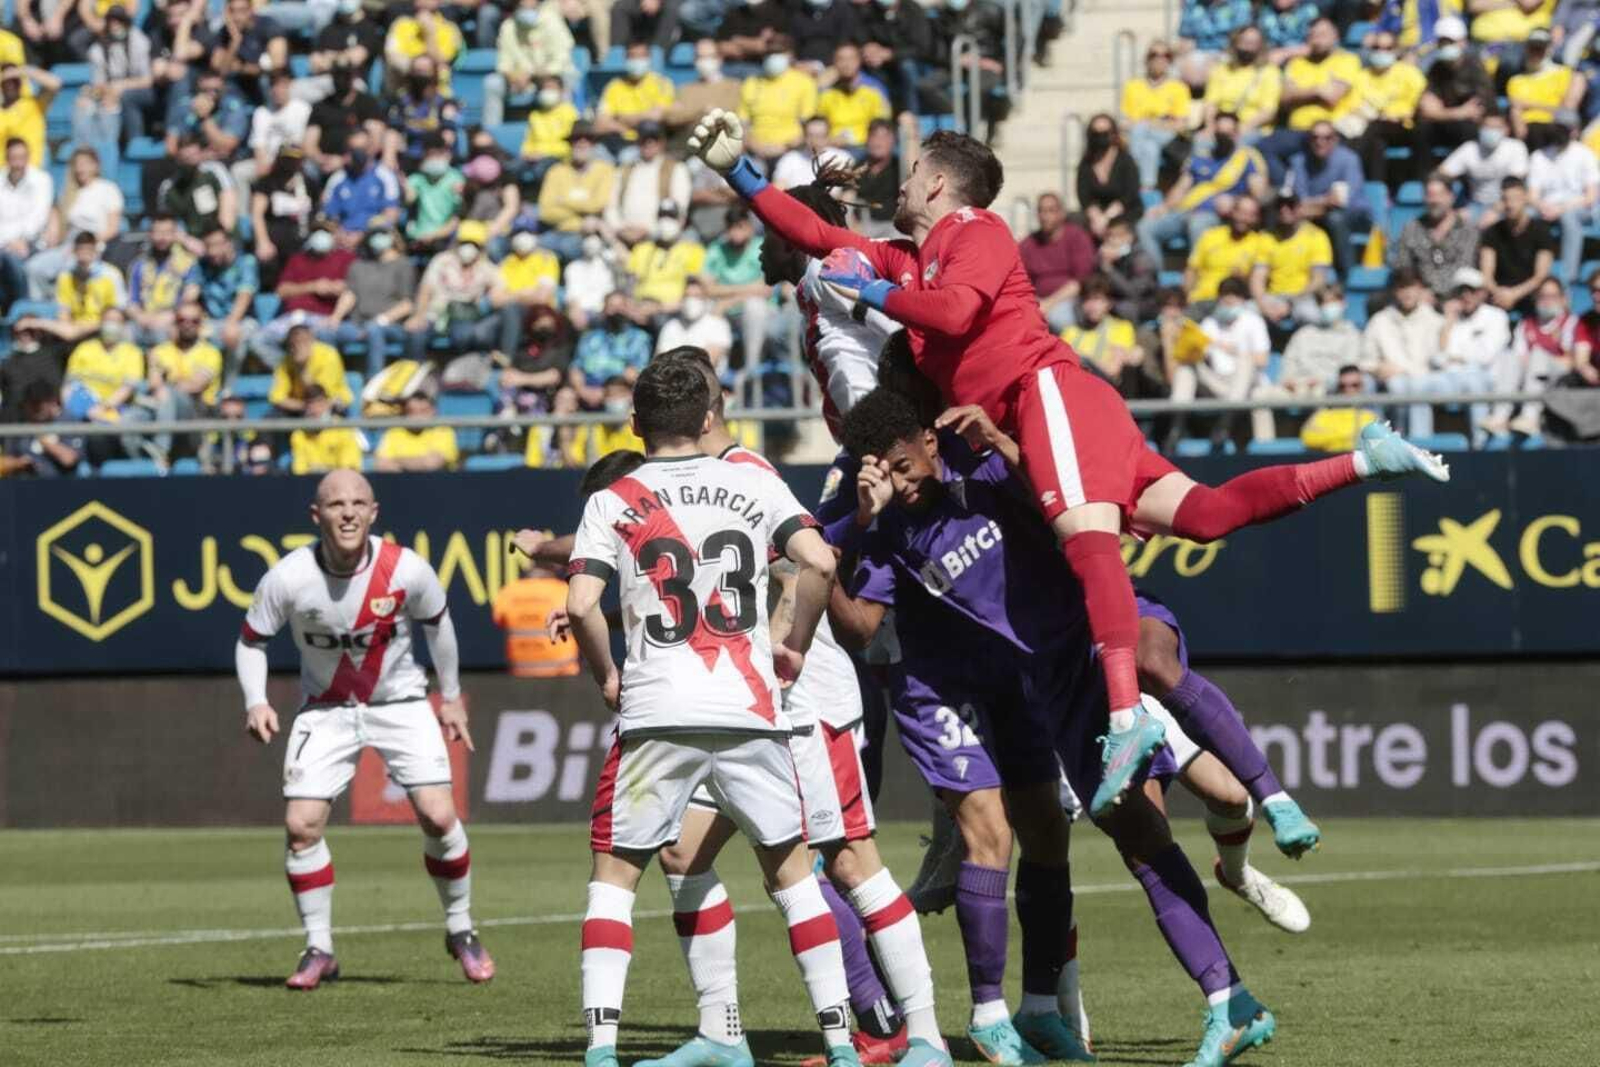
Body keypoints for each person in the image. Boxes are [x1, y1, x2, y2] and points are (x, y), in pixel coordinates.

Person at [693, 109, 1449, 812]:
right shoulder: (908, 257)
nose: (899, 178)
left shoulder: (976, 229)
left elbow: (956, 313)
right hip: (1060, 407)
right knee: (1206, 515)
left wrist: (880, 297)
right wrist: (741, 173)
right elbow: (816, 235)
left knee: (1088, 547)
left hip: (1045, 393)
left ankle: (1126, 719)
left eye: (912, 164)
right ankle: (1362, 459)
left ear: (934, 181)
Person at [831, 387, 1291, 1067]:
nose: (898, 485)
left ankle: (1218, 997)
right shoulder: (871, 512)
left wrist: (1011, 449)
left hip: (1057, 668)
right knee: (996, 830)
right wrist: (859, 527)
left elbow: (1070, 502)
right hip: (953, 689)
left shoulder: (988, 464)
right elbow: (861, 626)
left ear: (930, 439)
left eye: (904, 465)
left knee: (1120, 826)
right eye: (883, 471)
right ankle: (992, 1014)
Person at [586, 348, 952, 1067]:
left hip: (803, 699)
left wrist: (792, 641)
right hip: (748, 704)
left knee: (851, 862)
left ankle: (927, 1034)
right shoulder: (714, 485)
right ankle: (721, 1030)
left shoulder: (747, 475)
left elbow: (806, 563)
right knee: (681, 852)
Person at [236, 470, 492, 987]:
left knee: (439, 815)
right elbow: (250, 641)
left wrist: (449, 698)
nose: (348, 513)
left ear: (374, 513)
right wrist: (256, 700)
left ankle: (461, 929)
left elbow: (439, 624)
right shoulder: (288, 577)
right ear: (317, 515)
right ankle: (319, 948)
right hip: (327, 707)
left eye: (358, 503)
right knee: (301, 825)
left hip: (399, 701)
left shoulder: (406, 569)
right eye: (336, 504)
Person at [1136, 111, 1268, 264]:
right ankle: (1154, 280)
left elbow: (1258, 194)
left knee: (1198, 224)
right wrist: (1163, 208)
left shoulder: (1247, 158)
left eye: (1228, 133)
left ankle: (1198, 280)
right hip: (1187, 211)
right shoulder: (1201, 157)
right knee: (1145, 227)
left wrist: (1235, 202)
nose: (1223, 138)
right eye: (1220, 133)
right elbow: (1181, 188)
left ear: (1237, 134)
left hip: (1216, 217)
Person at [1257, 17, 1358, 183]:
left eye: (1323, 35)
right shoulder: (1297, 63)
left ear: (1336, 37)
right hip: (1298, 130)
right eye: (1314, 35)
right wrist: (1318, 90)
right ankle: (1287, 190)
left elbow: (1333, 96)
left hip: (1331, 129)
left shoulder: (1347, 60)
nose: (1318, 39)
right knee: (1263, 146)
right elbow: (1283, 99)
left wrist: (1299, 92)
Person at [405, 221, 516, 363]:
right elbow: (426, 289)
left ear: (481, 247)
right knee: (416, 334)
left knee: (464, 336)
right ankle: (415, 373)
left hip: (463, 315)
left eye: (474, 244)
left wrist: (490, 298)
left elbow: (501, 291)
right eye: (464, 242)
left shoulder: (487, 268)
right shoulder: (442, 260)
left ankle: (452, 376)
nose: (468, 248)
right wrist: (419, 315)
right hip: (435, 312)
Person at [321, 225, 415, 379]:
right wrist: (335, 317)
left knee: (374, 330)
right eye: (374, 235)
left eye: (382, 233)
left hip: (391, 326)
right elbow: (349, 294)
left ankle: (373, 381)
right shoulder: (358, 265)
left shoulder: (403, 265)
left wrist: (381, 320)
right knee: (325, 333)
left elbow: (407, 304)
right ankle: (331, 380)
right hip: (358, 324)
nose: (377, 238)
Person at [1430, 266, 1510, 443]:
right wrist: (1448, 322)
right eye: (1461, 290)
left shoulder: (1496, 316)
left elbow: (1485, 357)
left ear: (1482, 293)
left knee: (1474, 382)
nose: (1466, 295)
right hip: (1452, 378)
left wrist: (1454, 358)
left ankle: (1479, 444)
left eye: (1471, 290)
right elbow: (1438, 358)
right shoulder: (1450, 319)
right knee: (1416, 386)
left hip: (1487, 379)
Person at [1361, 267, 1445, 433]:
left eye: (1412, 287)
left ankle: (1420, 444)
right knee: (1392, 384)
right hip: (1392, 382)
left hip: (1425, 381)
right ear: (1394, 291)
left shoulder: (1435, 320)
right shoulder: (1380, 320)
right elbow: (1364, 359)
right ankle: (1389, 440)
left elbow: (1440, 358)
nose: (1407, 293)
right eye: (1401, 287)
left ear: (1420, 289)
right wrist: (1378, 368)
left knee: (1414, 388)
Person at [1491, 275, 1577, 435]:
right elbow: (1519, 356)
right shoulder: (1526, 324)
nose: (1547, 301)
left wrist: (1541, 359)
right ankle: (1499, 416)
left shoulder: (1571, 322)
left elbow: (1573, 362)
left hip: (1561, 380)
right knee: (1508, 357)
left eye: (1552, 296)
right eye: (1542, 296)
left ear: (1563, 299)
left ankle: (1530, 417)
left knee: (1538, 355)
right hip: (1528, 376)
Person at [1343, 30, 1428, 190]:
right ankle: (1377, 189)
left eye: (1387, 48)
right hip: (1373, 127)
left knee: (1375, 129)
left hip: (1405, 126)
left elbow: (1422, 100)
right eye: (1376, 47)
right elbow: (1353, 106)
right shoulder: (1361, 76)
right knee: (1376, 144)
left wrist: (1397, 114)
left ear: (1395, 50)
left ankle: (1349, 177)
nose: (1381, 52)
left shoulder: (1409, 72)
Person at [1287, 121, 1371, 278]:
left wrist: (1313, 205)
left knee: (1335, 218)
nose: (1320, 142)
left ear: (1335, 139)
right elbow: (1298, 200)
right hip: (1314, 214)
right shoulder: (1299, 161)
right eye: (1315, 137)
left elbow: (1343, 200)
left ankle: (1346, 276)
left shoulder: (1349, 159)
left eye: (1327, 137)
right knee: (1285, 216)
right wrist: (1325, 201)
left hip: (1354, 214)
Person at [1526, 112, 1600, 284]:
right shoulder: (1539, 156)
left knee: (1569, 217)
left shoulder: (1585, 155)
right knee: (1524, 215)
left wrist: (1561, 209)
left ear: (1574, 131)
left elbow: (1590, 197)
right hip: (1545, 207)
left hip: (1578, 207)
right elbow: (1532, 195)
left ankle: (1568, 277)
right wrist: (1542, 206)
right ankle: (1525, 270)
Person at [484, 0, 575, 127]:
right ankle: (491, 131)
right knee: (493, 83)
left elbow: (562, 58)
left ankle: (567, 128)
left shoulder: (552, 22)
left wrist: (539, 74)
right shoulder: (509, 27)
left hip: (551, 77)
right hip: (519, 80)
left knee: (567, 80)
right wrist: (513, 76)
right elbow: (503, 63)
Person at [1387, 174, 1479, 298]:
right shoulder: (1412, 228)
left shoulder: (1468, 231)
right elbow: (1403, 266)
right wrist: (1418, 291)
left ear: (1451, 197)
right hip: (1420, 297)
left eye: (1439, 195)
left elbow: (1465, 268)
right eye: (1430, 195)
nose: (1434, 201)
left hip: (1457, 297)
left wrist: (1436, 292)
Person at [1062, 275, 1153, 399]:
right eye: (1087, 299)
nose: (1092, 305)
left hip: (1107, 390)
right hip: (1074, 390)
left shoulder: (1121, 328)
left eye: (1097, 299)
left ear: (1108, 303)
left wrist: (1083, 361)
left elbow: (1113, 371)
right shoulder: (1070, 332)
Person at [1416, 17, 1495, 161]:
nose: (1446, 46)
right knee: (1422, 129)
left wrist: (1441, 112)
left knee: (1468, 129)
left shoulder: (1475, 67)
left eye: (1450, 42)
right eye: (1442, 42)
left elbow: (1477, 110)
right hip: (1446, 123)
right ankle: (1426, 179)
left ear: (1463, 42)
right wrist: (1458, 113)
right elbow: (1426, 109)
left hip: (1469, 127)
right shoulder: (1436, 68)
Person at [536, 125, 616, 262]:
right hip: (558, 231)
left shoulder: (605, 170)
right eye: (576, 140)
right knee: (535, 248)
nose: (581, 143)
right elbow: (545, 211)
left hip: (588, 234)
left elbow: (598, 205)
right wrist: (581, 219)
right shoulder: (556, 171)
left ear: (594, 144)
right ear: (570, 144)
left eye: (587, 140)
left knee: (570, 247)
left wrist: (563, 201)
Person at [604, 121, 691, 244]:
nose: (648, 143)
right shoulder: (624, 170)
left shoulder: (677, 169)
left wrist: (649, 230)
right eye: (644, 139)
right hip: (623, 235)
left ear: (662, 142)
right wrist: (620, 228)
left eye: (654, 139)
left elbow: (679, 209)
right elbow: (611, 206)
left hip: (660, 236)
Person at [1481, 176, 1558, 314]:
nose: (1510, 204)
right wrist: (1499, 293)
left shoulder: (1541, 231)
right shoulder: (1492, 232)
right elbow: (1487, 274)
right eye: (1505, 199)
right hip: (1498, 296)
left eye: (1515, 199)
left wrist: (1514, 294)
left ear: (1525, 199)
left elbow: (1540, 275)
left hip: (1530, 296)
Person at [1020, 192, 1096, 331]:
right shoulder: (1028, 244)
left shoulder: (1077, 237)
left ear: (1062, 213)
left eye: (1051, 210)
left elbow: (1080, 282)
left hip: (1071, 300)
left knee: (1059, 318)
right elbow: (1021, 281)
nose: (1045, 216)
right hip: (1037, 301)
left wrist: (1048, 304)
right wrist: (1035, 303)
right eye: (1041, 211)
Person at [1121, 40, 1191, 189]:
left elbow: (1180, 125)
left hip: (1168, 138)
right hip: (1143, 136)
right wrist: (1157, 122)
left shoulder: (1178, 88)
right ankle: (1147, 189)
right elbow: (1126, 122)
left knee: (1141, 128)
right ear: (1147, 59)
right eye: (1154, 54)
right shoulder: (1133, 86)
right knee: (1149, 148)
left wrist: (1149, 123)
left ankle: (1131, 175)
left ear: (1170, 60)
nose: (1160, 58)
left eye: (1165, 55)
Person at [490, 561, 579, 678]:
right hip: (563, 676)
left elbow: (498, 619)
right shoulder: (564, 590)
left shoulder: (509, 591)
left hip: (521, 675)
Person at [1256, 194, 1333, 329]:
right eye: (1280, 206)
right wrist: (1262, 303)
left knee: (1312, 316)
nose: (1285, 210)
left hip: (1304, 296)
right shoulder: (1265, 237)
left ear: (1300, 208)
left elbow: (1318, 280)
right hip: (1273, 296)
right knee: (1248, 315)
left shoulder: (1316, 236)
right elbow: (1257, 278)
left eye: (1290, 206)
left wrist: (1291, 303)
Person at [1439, 112, 1530, 221]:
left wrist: (1496, 210)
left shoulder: (1516, 147)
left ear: (1506, 130)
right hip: (1475, 205)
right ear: (1480, 129)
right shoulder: (1469, 148)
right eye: (1487, 127)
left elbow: (1515, 184)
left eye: (1496, 127)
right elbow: (1441, 173)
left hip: (1507, 204)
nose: (1491, 131)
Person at [1184, 194, 1270, 309]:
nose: (1243, 218)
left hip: (1235, 304)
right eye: (1241, 212)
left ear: (1257, 218)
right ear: (1232, 212)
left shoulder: (1260, 242)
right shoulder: (1210, 236)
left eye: (1250, 215)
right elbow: (1191, 270)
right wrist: (1187, 297)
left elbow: (1259, 280)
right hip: (1202, 299)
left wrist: (1244, 280)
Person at [567, 292, 652, 408]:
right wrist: (582, 390)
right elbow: (576, 369)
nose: (616, 311)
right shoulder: (589, 337)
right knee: (565, 397)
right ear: (604, 311)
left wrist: (607, 392)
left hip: (621, 391)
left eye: (620, 306)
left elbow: (636, 375)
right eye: (611, 307)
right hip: (588, 391)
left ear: (628, 310)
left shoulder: (639, 338)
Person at [320, 129, 404, 246]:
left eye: (362, 149)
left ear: (371, 148)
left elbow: (391, 214)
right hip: (342, 239)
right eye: (354, 150)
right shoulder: (338, 179)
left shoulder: (385, 176)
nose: (358, 154)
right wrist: (340, 235)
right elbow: (329, 216)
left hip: (373, 238)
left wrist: (363, 236)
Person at [1278, 282, 1362, 396]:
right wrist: (1288, 379)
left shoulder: (1351, 334)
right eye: (1323, 303)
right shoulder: (1304, 333)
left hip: (1328, 386)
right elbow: (1289, 361)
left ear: (1343, 303)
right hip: (1297, 383)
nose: (1327, 306)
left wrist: (1321, 380)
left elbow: (1348, 369)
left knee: (1316, 391)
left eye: (1332, 301)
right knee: (1261, 395)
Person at [594, 41, 676, 151]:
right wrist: (622, 128)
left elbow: (656, 117)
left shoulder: (662, 83)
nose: (637, 61)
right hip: (619, 141)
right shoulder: (614, 86)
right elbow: (600, 123)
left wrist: (621, 118)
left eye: (641, 56)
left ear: (649, 57)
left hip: (650, 143)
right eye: (632, 56)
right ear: (625, 58)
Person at [738, 49, 819, 161]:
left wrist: (786, 147)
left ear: (790, 55)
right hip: (756, 151)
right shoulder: (751, 82)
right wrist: (754, 145)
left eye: (778, 52)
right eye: (770, 53)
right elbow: (743, 123)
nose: (773, 57)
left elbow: (809, 124)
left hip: (792, 151)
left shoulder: (804, 82)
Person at [148, 300, 224, 418]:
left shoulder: (211, 353)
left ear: (201, 324)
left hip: (200, 409)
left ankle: (163, 436)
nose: (187, 325)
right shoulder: (159, 351)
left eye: (194, 321)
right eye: (182, 320)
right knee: (134, 416)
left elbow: (196, 386)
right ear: (175, 323)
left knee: (167, 396)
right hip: (164, 405)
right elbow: (154, 384)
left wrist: (168, 387)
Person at [0, 136, 51, 309]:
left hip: (31, 244)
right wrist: (8, 242)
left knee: (13, 262)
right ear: (7, 159)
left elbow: (37, 218)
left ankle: (21, 311)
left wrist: (19, 240)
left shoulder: (41, 180)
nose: (18, 163)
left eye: (22, 158)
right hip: (4, 244)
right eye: (14, 158)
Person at [624, 204, 705, 313]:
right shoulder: (641, 248)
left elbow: (694, 289)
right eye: (662, 217)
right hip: (640, 306)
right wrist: (633, 308)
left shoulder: (693, 250)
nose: (665, 222)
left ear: (682, 221)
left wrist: (659, 308)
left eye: (671, 217)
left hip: (672, 310)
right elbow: (630, 285)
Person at [1200, 28, 1280, 137]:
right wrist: (1210, 127)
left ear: (1261, 46)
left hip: (1252, 129)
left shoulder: (1269, 72)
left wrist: (1240, 129)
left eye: (1253, 42)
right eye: (1244, 41)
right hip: (1219, 126)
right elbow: (1210, 102)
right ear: (1235, 43)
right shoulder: (1221, 69)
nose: (1248, 46)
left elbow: (1268, 111)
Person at [1075, 114, 1142, 243]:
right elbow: (1084, 196)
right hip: (1096, 218)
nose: (1101, 138)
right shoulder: (1086, 163)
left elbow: (1130, 195)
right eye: (1096, 133)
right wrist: (1096, 217)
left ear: (1114, 134)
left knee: (1119, 231)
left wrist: (1105, 218)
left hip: (1125, 214)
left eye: (1105, 133)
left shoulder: (1126, 160)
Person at [0, 380, 83, 478]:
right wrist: (18, 463)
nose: (37, 407)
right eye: (32, 402)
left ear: (53, 401)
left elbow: (69, 459)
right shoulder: (18, 427)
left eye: (41, 402)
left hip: (60, 484)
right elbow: (4, 461)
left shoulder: (67, 421)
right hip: (21, 485)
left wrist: (44, 440)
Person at [817, 43, 890, 148]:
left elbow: (882, 124)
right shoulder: (827, 92)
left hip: (865, 148)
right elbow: (817, 124)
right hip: (833, 147)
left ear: (859, 61)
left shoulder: (874, 89)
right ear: (834, 63)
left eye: (851, 59)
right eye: (841, 59)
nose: (846, 64)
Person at [271, 324, 354, 414]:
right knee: (273, 418)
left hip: (333, 404)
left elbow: (319, 395)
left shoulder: (328, 354)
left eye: (303, 341)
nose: (298, 347)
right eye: (294, 344)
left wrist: (302, 368)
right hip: (301, 407)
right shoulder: (286, 360)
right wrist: (303, 406)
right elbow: (276, 397)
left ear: (311, 340)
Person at [1298, 364, 1377, 451]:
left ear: (1363, 386)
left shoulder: (1372, 415)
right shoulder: (1324, 414)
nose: (1348, 390)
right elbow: (1308, 438)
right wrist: (1346, 438)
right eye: (1342, 386)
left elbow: (1371, 441)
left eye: (1355, 385)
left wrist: (1330, 439)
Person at [374, 392, 460, 471]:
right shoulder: (393, 433)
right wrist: (422, 461)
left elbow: (433, 464)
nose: (417, 417)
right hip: (401, 484)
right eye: (412, 411)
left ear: (433, 411)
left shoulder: (443, 431)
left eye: (423, 411)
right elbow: (382, 465)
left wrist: (397, 461)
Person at [1098, 216, 1161, 323]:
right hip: (1118, 300)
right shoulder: (1109, 257)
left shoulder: (1142, 259)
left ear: (1130, 237)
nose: (1111, 240)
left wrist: (1109, 270)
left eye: (1116, 236)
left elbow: (1134, 292)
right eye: (1109, 235)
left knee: (1124, 308)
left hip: (1144, 304)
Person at [655, 279, 732, 364]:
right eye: (687, 296)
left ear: (705, 299)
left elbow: (710, 361)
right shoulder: (671, 326)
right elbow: (660, 360)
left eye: (696, 296)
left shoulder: (718, 324)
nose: (691, 300)